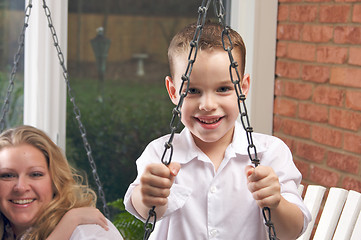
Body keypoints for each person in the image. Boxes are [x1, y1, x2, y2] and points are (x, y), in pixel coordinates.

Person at [124, 21, 311, 239]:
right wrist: (147, 197)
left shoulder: (269, 153)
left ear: (243, 88)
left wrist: (276, 202)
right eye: (192, 90)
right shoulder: (160, 154)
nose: (208, 104)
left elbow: (291, 231)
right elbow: (144, 210)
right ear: (173, 91)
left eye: (223, 88)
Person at [0, 125, 123, 240]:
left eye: (35, 174)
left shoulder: (88, 233)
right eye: (8, 175)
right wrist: (66, 227)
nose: (21, 187)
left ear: (55, 181)